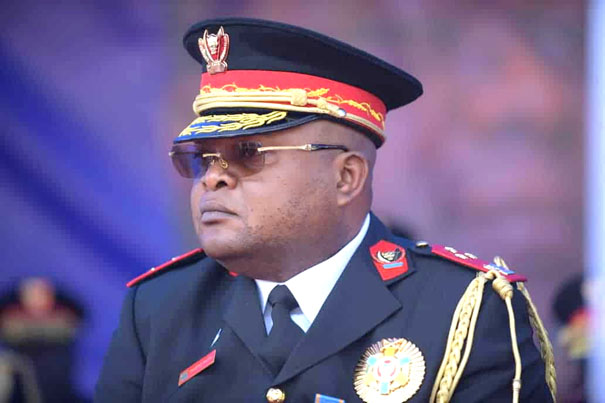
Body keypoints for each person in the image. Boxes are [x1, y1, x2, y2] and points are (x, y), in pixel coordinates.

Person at [95, 18, 555, 402]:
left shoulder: (462, 310)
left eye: (249, 153)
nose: (213, 178)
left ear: (346, 177)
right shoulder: (159, 307)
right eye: (201, 158)